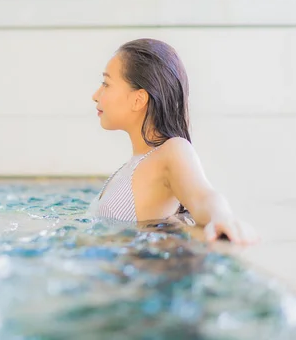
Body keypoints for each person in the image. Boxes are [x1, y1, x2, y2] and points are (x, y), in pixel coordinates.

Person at [89, 38, 259, 245]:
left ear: (138, 99)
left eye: (106, 84)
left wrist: (222, 217)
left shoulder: (172, 150)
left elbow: (203, 196)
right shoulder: (134, 163)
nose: (95, 95)